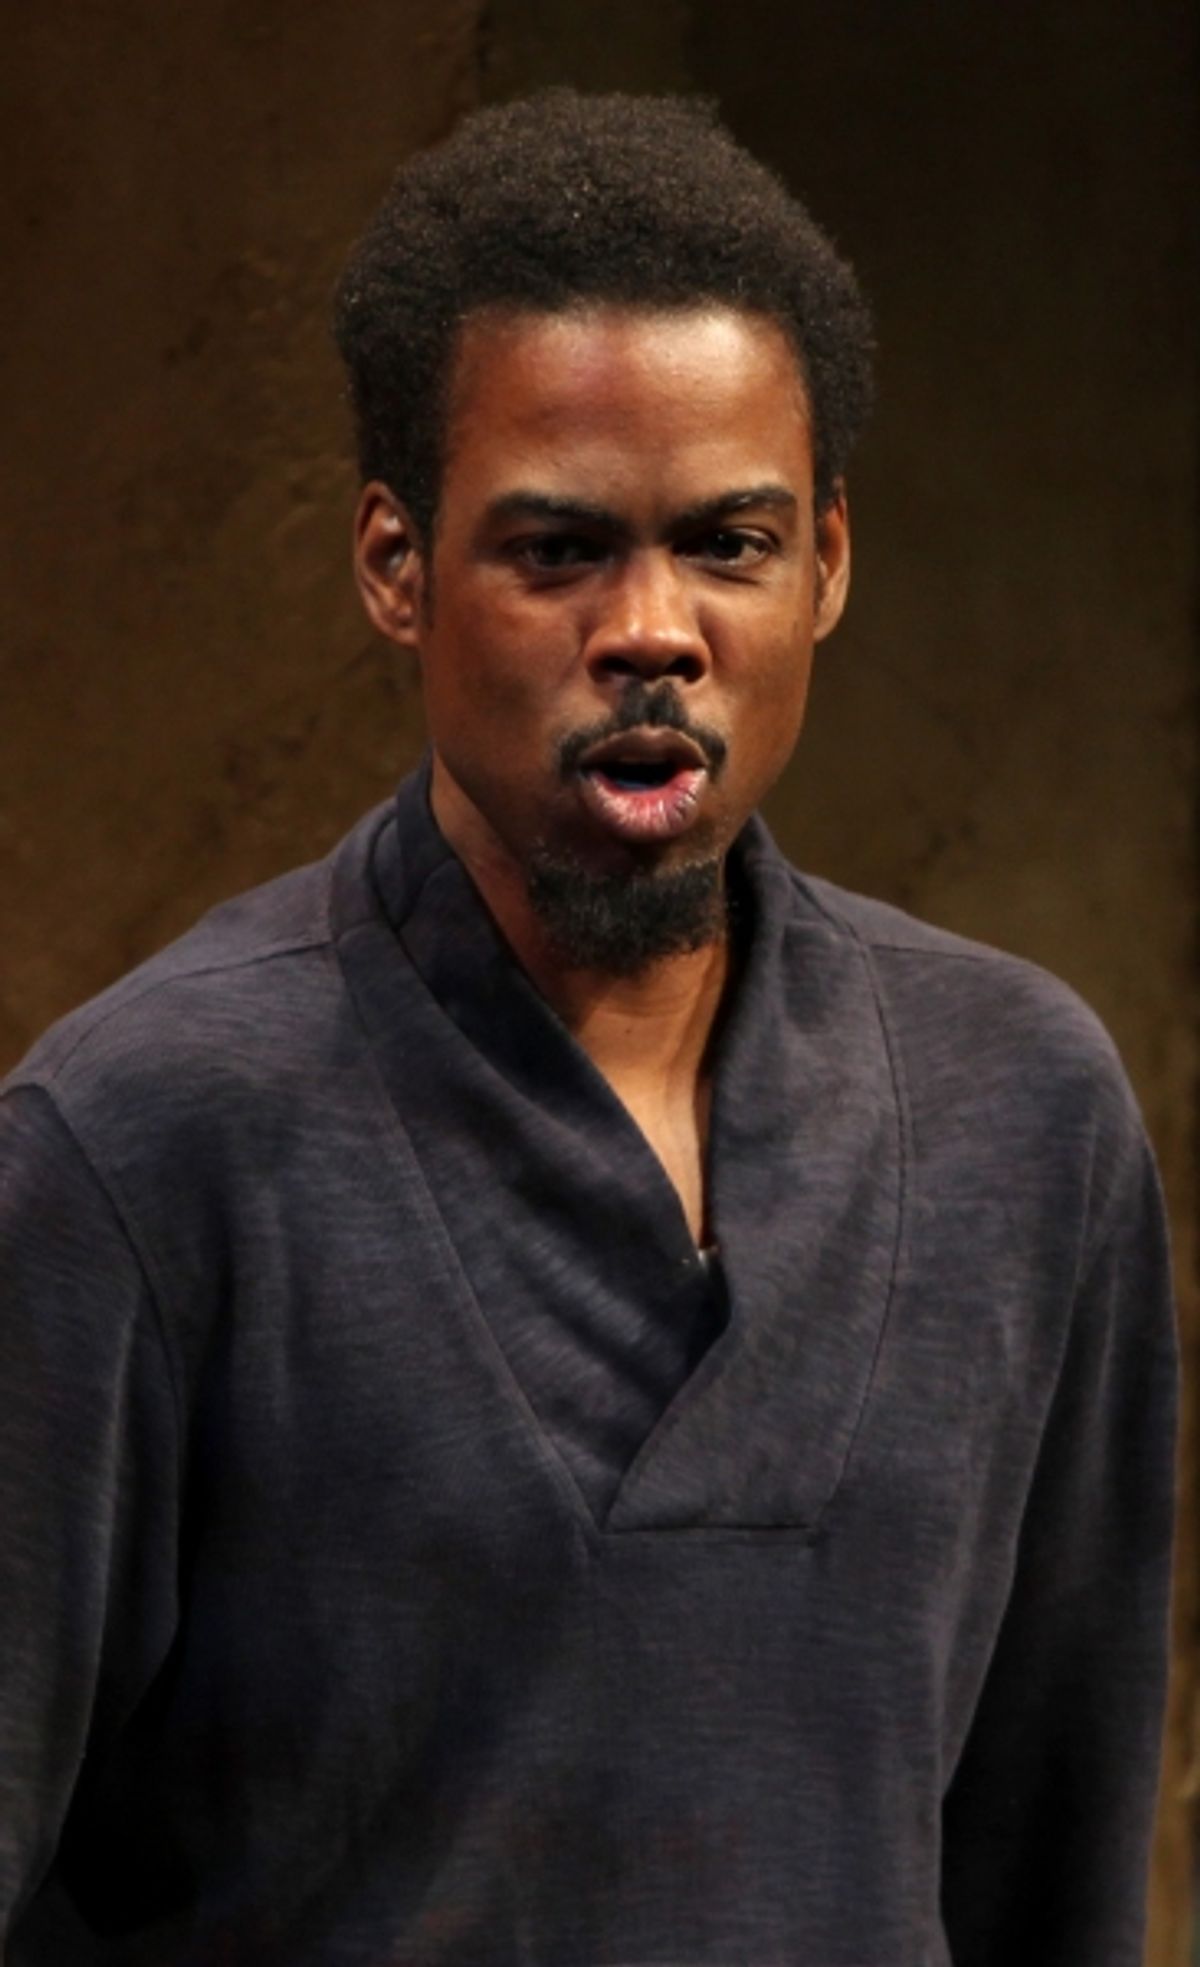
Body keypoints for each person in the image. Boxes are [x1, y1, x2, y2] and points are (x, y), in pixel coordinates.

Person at [0, 89, 1176, 1967]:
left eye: (729, 544)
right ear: (396, 564)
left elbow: (1059, 1871)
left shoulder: (1019, 1116)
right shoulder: (140, 1143)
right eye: (558, 552)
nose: (654, 630)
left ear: (832, 565)